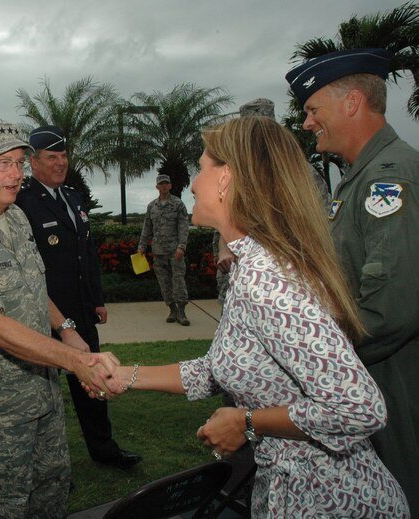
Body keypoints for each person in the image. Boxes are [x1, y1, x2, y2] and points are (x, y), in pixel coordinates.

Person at [104, 117, 408, 517]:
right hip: (292, 490)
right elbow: (216, 369)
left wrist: (247, 421)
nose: (193, 183)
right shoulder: (253, 267)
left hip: (329, 500)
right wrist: (122, 376)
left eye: (201, 168)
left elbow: (358, 408)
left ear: (226, 178)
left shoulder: (268, 280)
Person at [0, 120, 121, 518]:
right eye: (1, 163)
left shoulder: (15, 217)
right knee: (6, 508)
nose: (15, 174)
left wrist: (67, 330)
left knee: (52, 493)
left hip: (41, 396)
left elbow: (32, 285)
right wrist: (76, 363)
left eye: (18, 162)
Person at [286, 47, 419, 516]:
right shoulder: (357, 178)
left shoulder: (389, 178)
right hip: (370, 373)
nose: (306, 122)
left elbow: (391, 307)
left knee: (400, 492)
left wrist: (319, 358)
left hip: (391, 379)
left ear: (352, 102)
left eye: (312, 110)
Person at [15, 125, 142, 470]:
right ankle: (47, 467)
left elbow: (87, 253)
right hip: (43, 316)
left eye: (64, 156)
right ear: (34, 162)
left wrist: (96, 298)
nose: (60, 163)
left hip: (81, 313)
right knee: (44, 394)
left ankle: (105, 450)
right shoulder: (23, 204)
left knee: (93, 382)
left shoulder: (72, 198)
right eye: (52, 157)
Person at [212, 98, 330, 310]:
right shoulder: (236, 176)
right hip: (242, 282)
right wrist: (224, 250)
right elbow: (226, 220)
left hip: (289, 284)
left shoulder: (301, 173)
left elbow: (322, 229)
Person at [137, 174, 190, 325]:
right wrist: (141, 246)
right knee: (164, 282)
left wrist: (182, 246)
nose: (164, 186)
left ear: (171, 186)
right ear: (157, 187)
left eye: (167, 183)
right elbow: (147, 228)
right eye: (161, 184)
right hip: (158, 251)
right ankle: (172, 309)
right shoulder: (152, 206)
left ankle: (181, 312)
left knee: (178, 280)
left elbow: (183, 227)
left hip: (175, 252)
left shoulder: (178, 204)